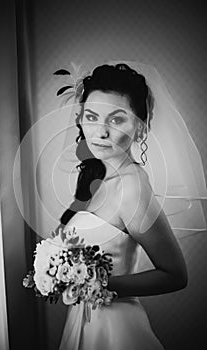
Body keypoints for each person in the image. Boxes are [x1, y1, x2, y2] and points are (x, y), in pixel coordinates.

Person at [54, 63, 188, 350]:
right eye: (91, 117)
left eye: (116, 120)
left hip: (115, 331)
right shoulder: (96, 174)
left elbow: (175, 274)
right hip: (84, 321)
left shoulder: (133, 189)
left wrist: (98, 284)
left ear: (140, 127)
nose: (100, 132)